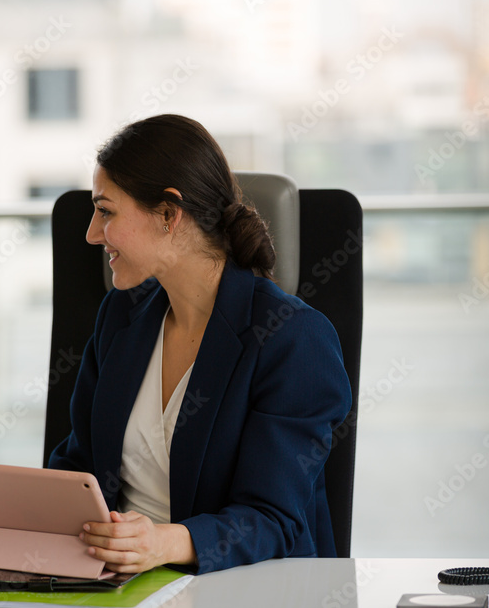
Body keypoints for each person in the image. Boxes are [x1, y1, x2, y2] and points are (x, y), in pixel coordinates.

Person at [47, 114, 352, 575]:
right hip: (118, 583)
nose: (91, 233)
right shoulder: (121, 316)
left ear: (168, 214)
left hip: (240, 588)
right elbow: (79, 466)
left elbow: (271, 520)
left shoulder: (293, 339)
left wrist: (161, 543)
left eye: (106, 211)